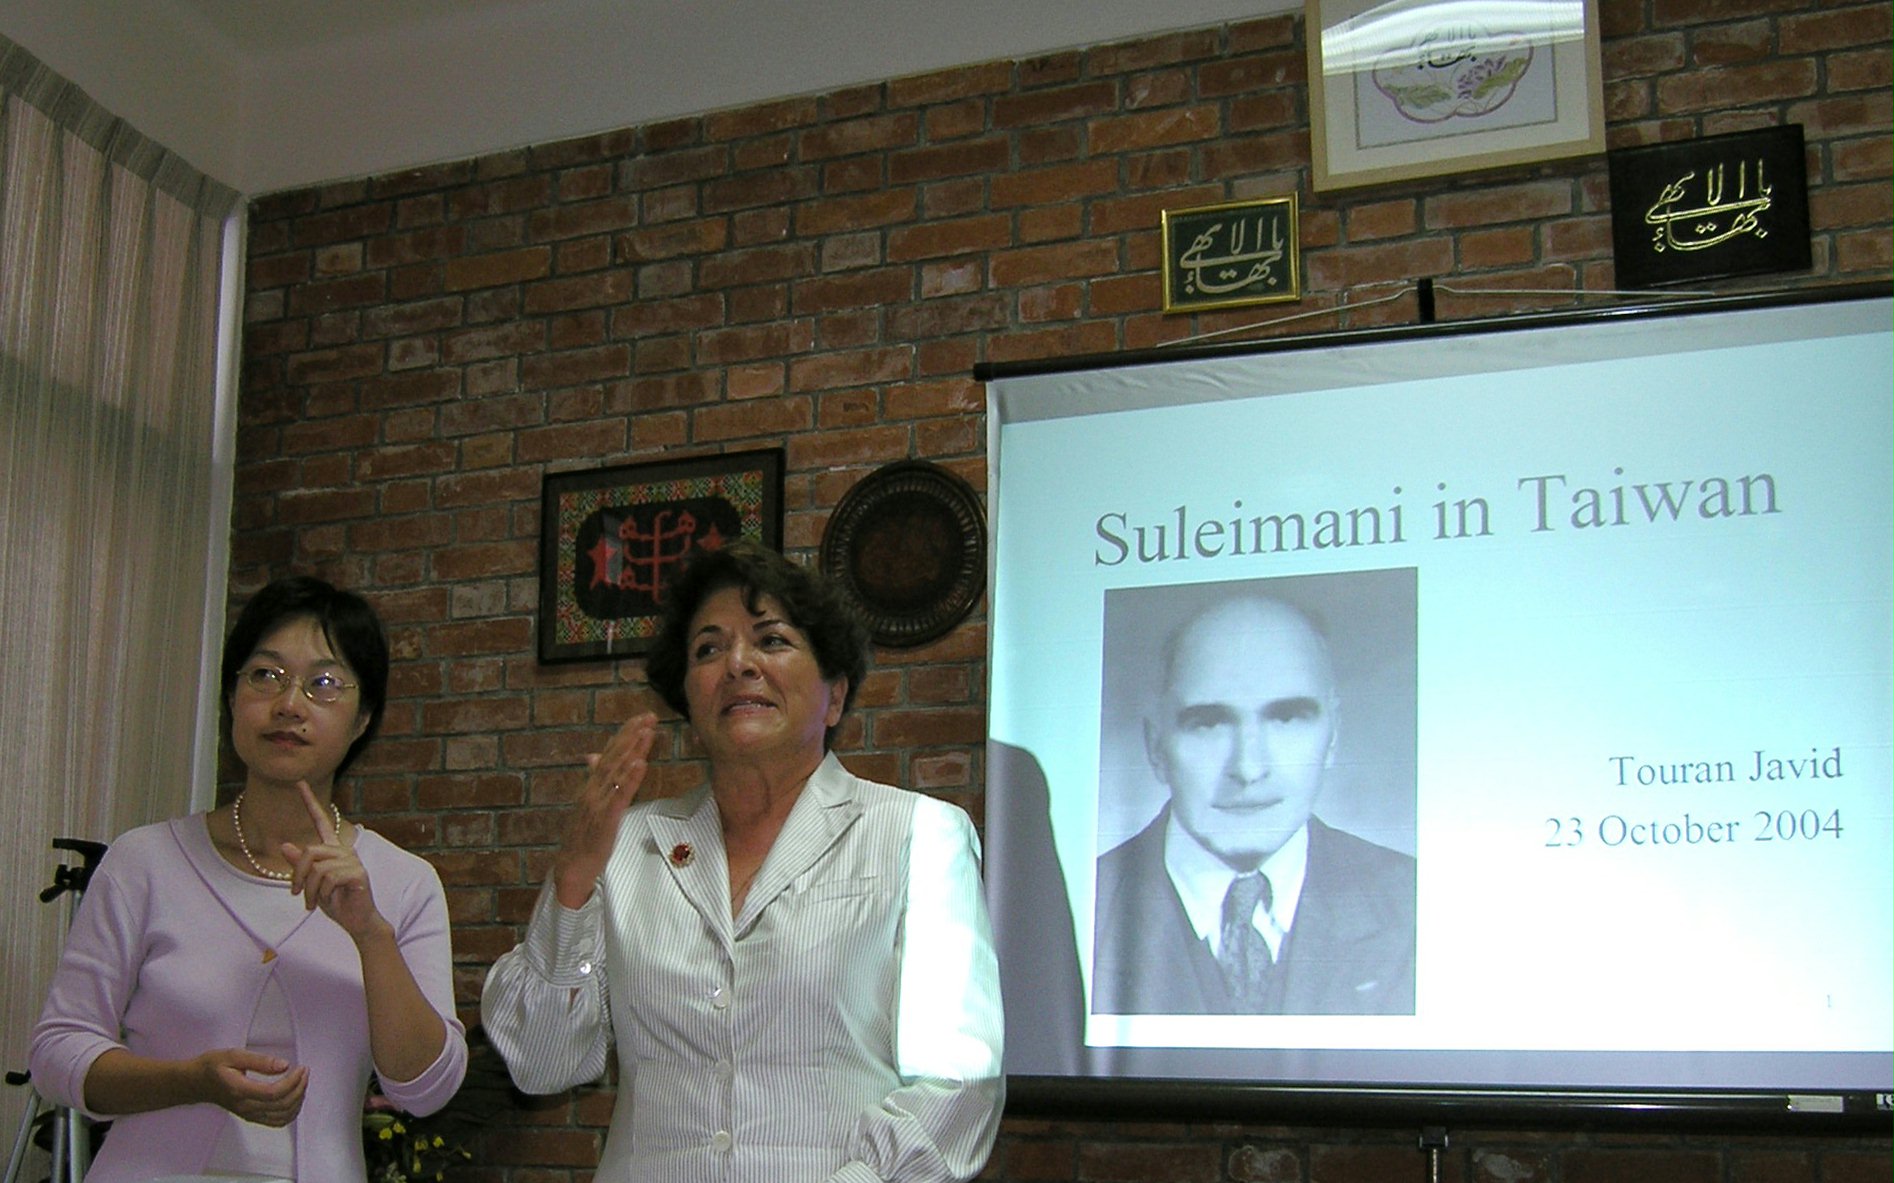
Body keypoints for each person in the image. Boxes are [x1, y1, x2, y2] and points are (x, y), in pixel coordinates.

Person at [481, 540, 1004, 1182]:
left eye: (772, 641)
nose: (738, 664)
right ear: (690, 705)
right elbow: (542, 1064)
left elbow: (959, 1082)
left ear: (834, 697)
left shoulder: (919, 834)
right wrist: (572, 877)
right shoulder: (625, 846)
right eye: (708, 649)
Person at [29, 576, 469, 1183]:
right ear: (233, 697)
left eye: (323, 684)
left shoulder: (403, 882)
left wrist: (371, 935)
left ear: (363, 717)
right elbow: (57, 1052)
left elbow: (427, 1088)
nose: (289, 704)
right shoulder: (144, 861)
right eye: (265, 675)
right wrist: (191, 1081)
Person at [1091, 592, 1415, 1015]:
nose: (1247, 768)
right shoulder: (1082, 911)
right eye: (1208, 722)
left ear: (1332, 737)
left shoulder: (1415, 903)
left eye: (1286, 718)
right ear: (1155, 744)